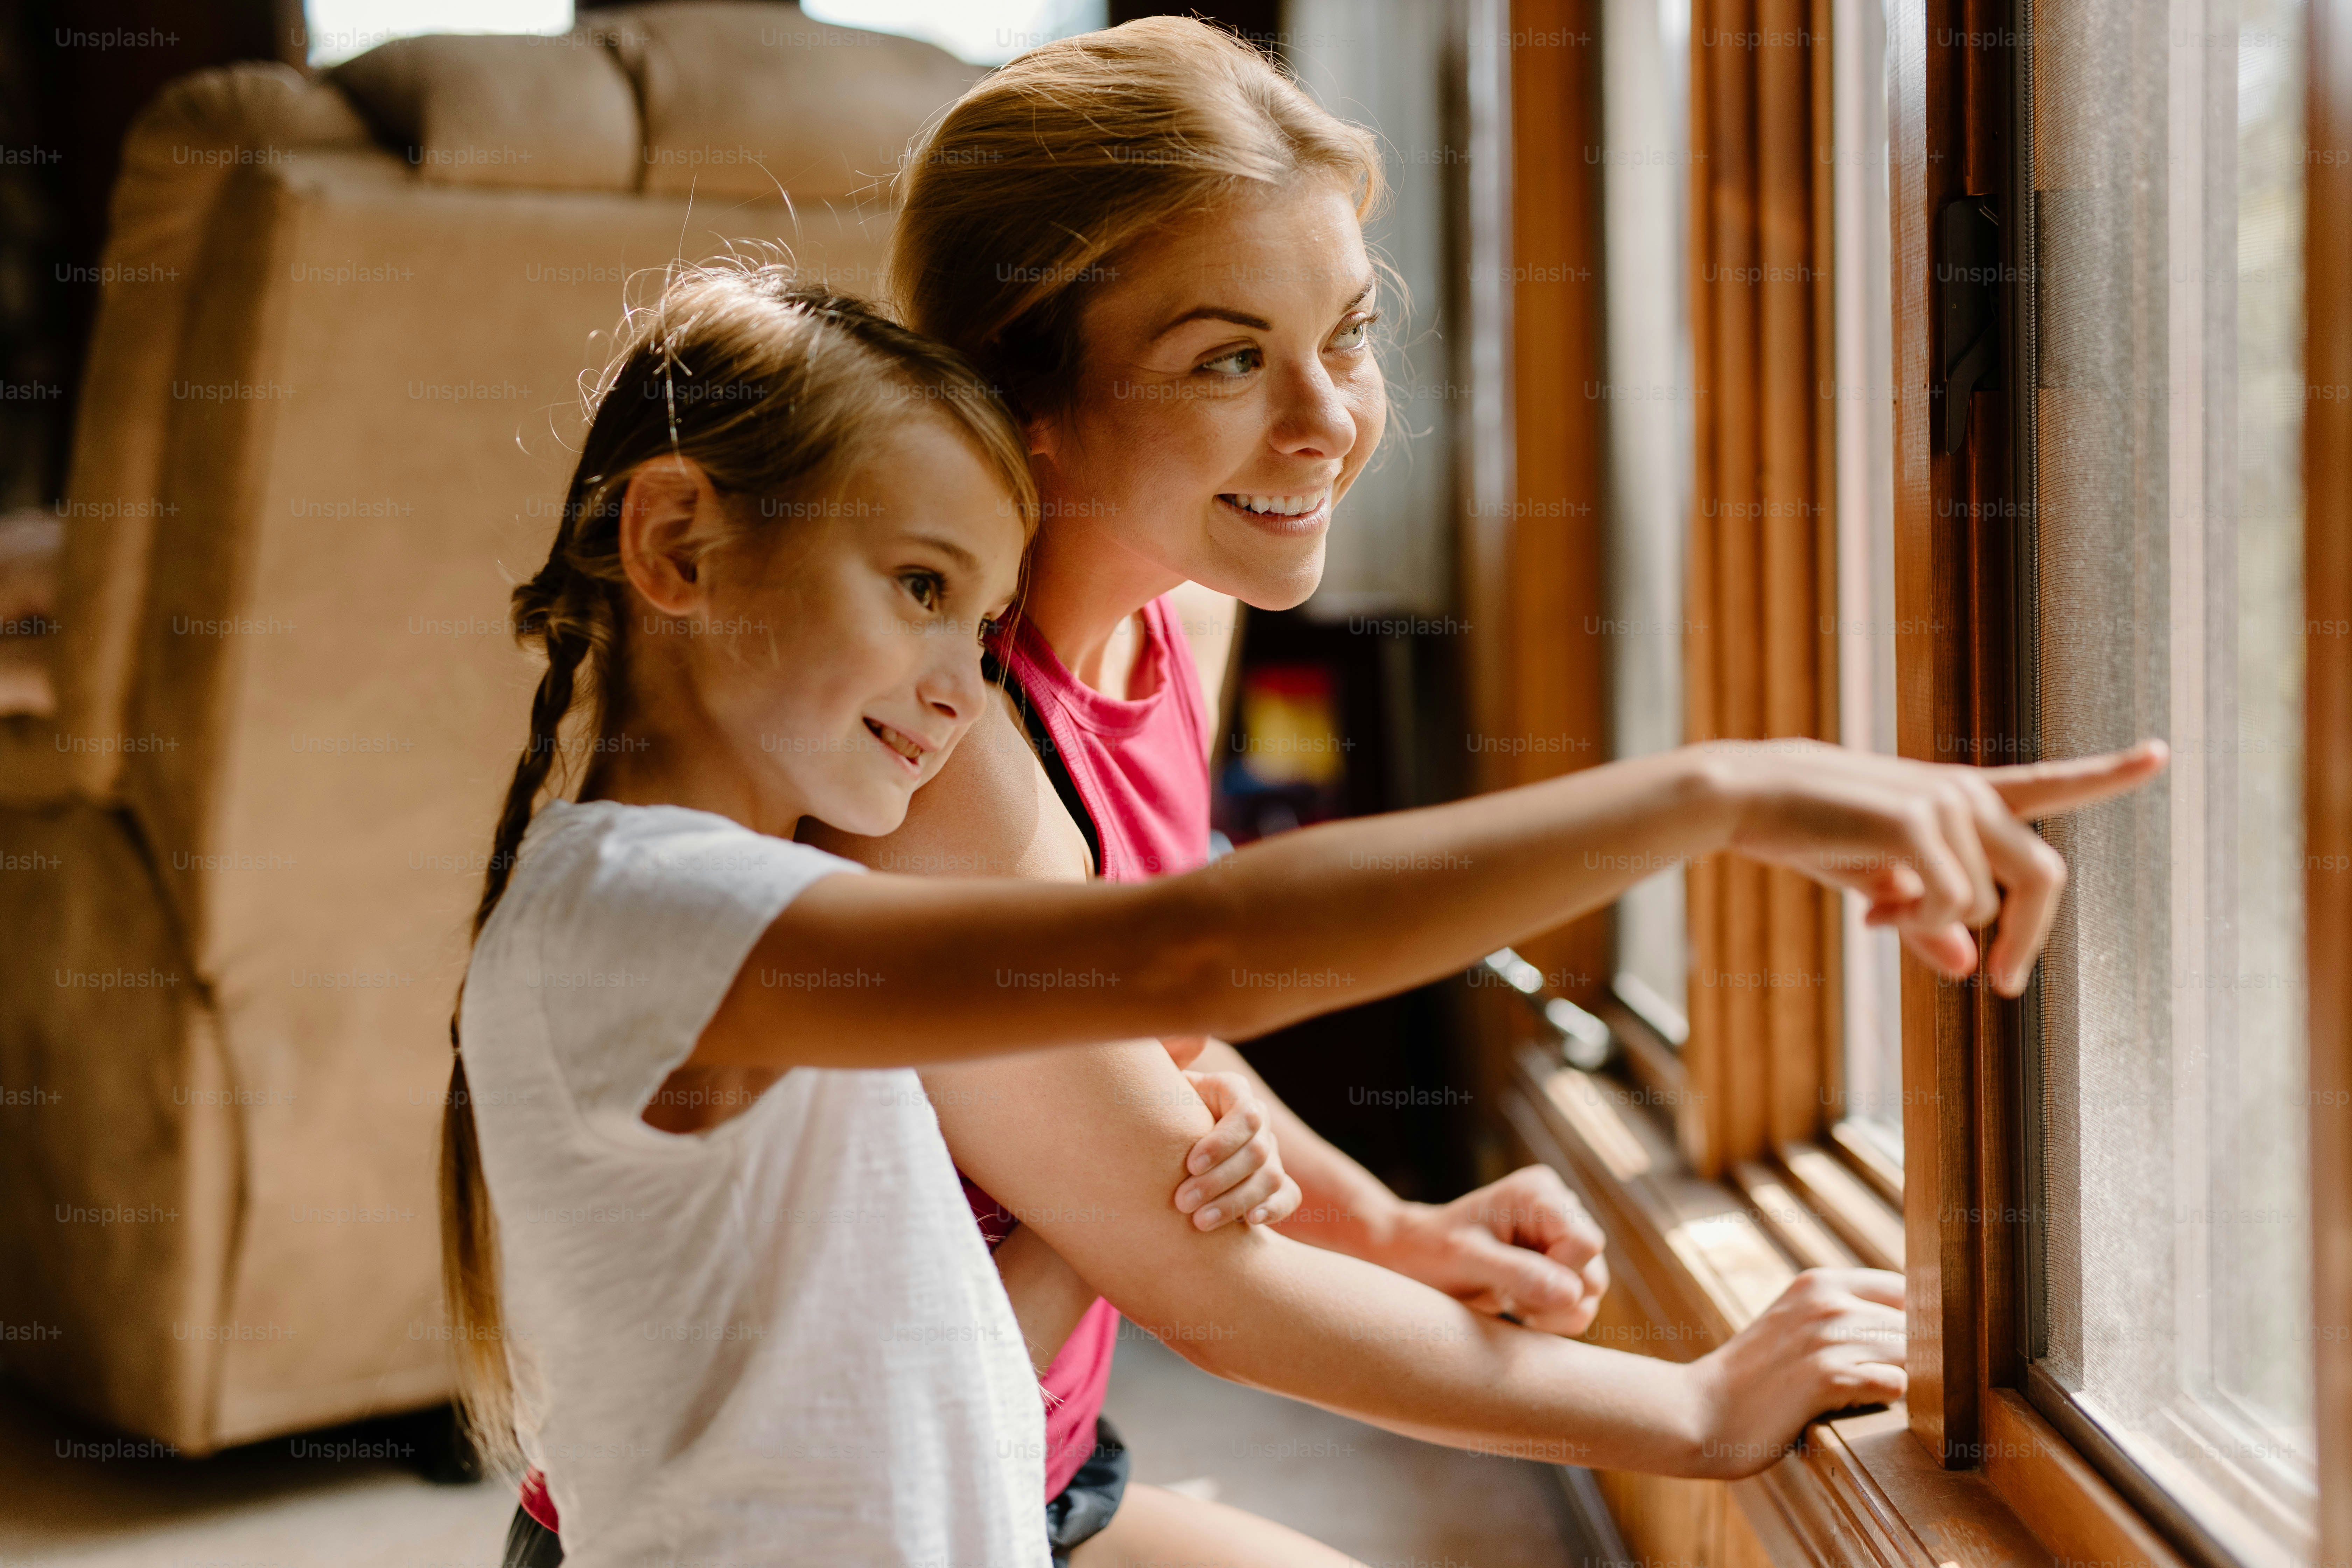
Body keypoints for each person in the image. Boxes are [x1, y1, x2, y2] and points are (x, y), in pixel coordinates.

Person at [793, 18, 2169, 1563]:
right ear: (1016, 398)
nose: (1325, 421)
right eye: (1228, 357)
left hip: (1022, 1474)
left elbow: (1158, 1054)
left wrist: (1400, 1235)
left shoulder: (1186, 613)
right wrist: (1697, 1412)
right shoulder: (937, 748)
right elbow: (1215, 1283)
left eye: (1350, 332)